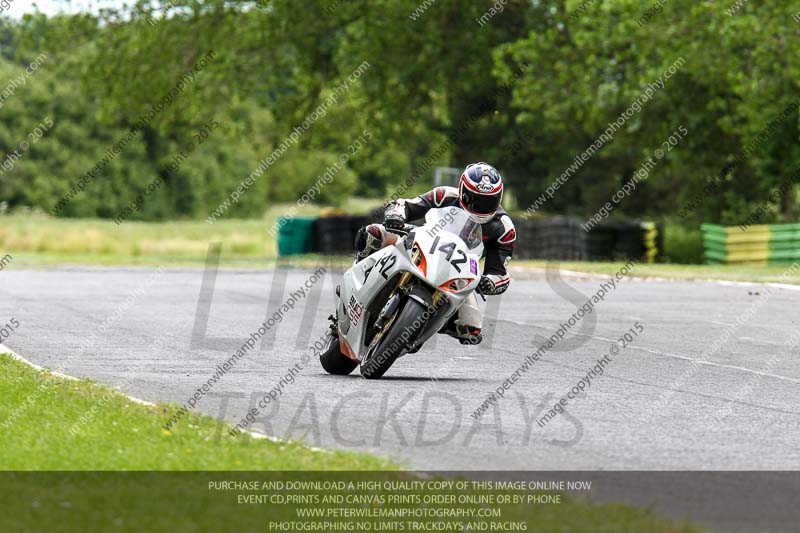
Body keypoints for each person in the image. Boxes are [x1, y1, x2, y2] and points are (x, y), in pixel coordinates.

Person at [354, 162, 516, 345]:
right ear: (462, 189)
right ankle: (359, 278)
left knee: (471, 330)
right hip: (423, 239)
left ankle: (431, 323)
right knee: (374, 234)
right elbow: (405, 204)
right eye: (475, 199)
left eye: (489, 201)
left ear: (499, 197)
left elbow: (499, 272)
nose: (481, 206)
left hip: (459, 269)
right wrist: (396, 216)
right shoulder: (444, 195)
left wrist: (490, 283)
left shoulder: (504, 228)